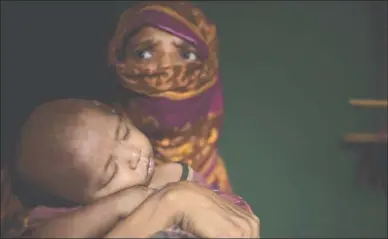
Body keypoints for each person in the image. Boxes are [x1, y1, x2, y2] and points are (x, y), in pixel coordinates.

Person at [1, 99, 259, 238]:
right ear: (72, 204)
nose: (133, 155)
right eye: (112, 172)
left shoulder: (173, 174)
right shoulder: (63, 220)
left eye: (123, 134)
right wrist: (116, 205)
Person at [108, 1, 231, 192]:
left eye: (186, 54)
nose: (166, 68)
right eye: (145, 53)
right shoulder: (88, 175)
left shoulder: (217, 183)